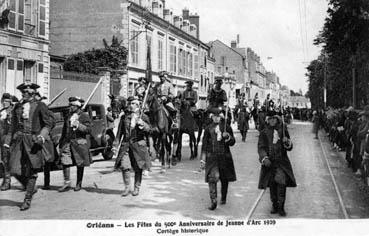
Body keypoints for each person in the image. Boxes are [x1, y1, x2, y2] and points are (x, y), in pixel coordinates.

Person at [4, 82, 55, 211]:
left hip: (33, 141)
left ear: (33, 93)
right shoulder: (17, 107)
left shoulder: (40, 106)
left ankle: (27, 199)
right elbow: (12, 127)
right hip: (19, 141)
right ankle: (30, 187)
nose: (24, 95)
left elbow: (48, 124)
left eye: (27, 93)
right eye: (23, 93)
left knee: (32, 170)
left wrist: (42, 136)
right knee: (12, 168)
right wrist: (7, 141)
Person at [257, 111, 296, 216]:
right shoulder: (264, 132)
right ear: (267, 120)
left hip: (281, 162)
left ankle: (281, 207)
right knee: (272, 185)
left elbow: (290, 146)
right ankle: (274, 204)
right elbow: (261, 147)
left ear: (277, 119)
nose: (272, 121)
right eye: (270, 119)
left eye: (274, 119)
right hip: (269, 163)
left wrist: (287, 142)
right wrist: (264, 158)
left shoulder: (283, 129)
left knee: (281, 182)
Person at [200, 107, 236, 210]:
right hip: (212, 158)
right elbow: (204, 145)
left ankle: (223, 197)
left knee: (224, 179)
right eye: (214, 116)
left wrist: (228, 137)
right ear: (212, 117)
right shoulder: (208, 129)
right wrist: (203, 159)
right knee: (212, 178)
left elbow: (233, 142)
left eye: (218, 116)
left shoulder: (227, 128)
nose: (216, 118)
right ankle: (213, 200)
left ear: (221, 117)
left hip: (225, 157)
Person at [115, 96, 151, 196]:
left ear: (137, 105)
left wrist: (143, 124)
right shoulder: (124, 117)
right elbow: (119, 132)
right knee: (124, 166)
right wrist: (116, 144)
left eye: (132, 103)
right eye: (129, 103)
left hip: (138, 145)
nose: (130, 105)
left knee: (138, 167)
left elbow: (149, 130)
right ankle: (127, 188)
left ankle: (136, 188)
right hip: (126, 145)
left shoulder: (143, 116)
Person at [58, 97, 92, 192]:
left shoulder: (84, 116)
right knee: (65, 161)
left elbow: (89, 130)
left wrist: (78, 125)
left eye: (72, 105)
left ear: (77, 106)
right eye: (70, 105)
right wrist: (61, 142)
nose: (70, 107)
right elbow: (65, 130)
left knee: (80, 163)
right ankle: (67, 182)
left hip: (79, 142)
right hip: (68, 142)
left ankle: (78, 183)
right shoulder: (68, 116)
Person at [0, 93, 15, 191]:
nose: (5, 103)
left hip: (11, 140)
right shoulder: (1, 112)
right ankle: (6, 180)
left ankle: (7, 182)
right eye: (3, 101)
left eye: (7, 101)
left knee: (11, 161)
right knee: (5, 161)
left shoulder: (13, 112)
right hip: (2, 139)